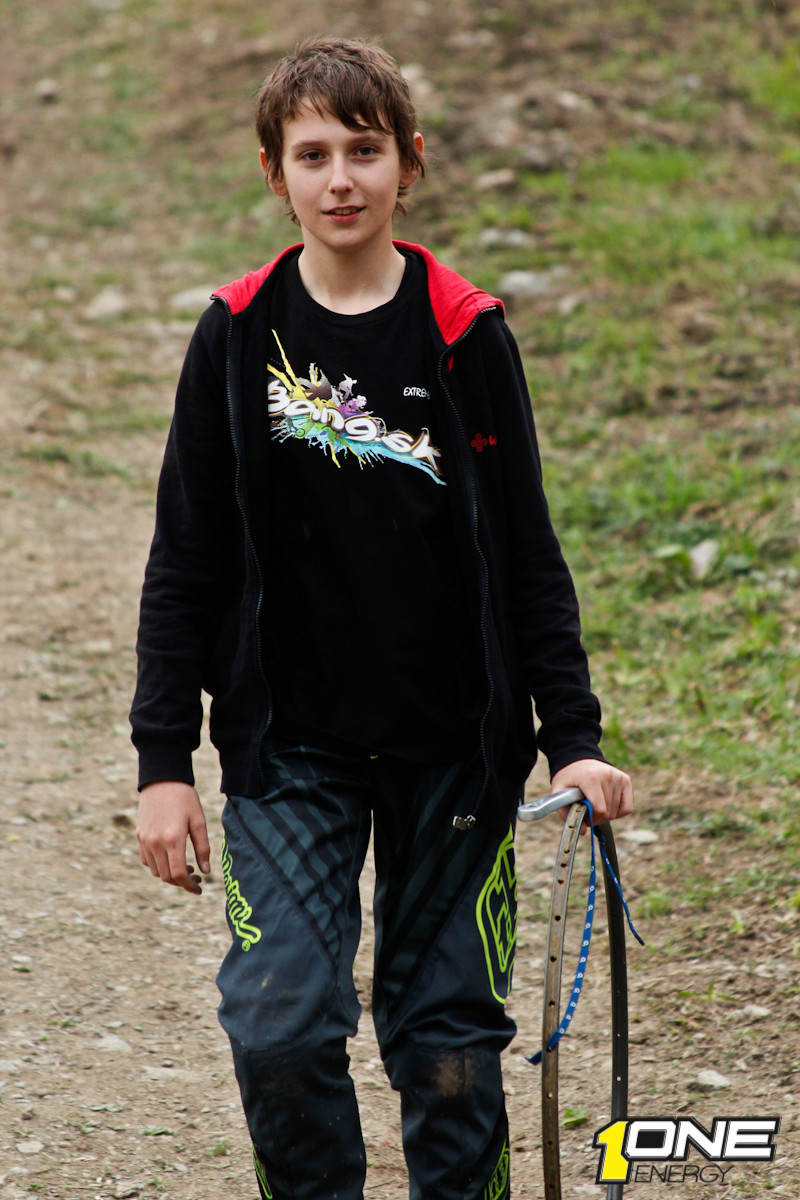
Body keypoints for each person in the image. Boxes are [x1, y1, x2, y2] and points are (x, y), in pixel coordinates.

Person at [131, 35, 633, 1200]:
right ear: (274, 174)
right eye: (312, 155)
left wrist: (572, 736)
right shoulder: (236, 334)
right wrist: (162, 765)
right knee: (279, 1027)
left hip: (452, 750)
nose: (340, 179)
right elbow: (184, 561)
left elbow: (525, 552)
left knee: (448, 1046)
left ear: (409, 163)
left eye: (363, 151)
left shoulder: (464, 332)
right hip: (288, 748)